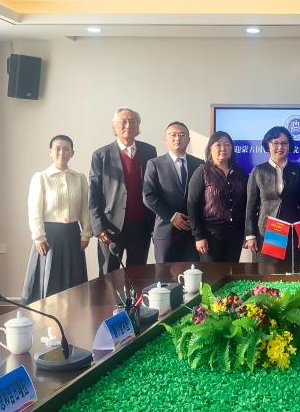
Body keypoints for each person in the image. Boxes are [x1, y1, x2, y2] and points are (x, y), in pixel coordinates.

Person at [22, 135, 90, 304]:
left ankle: (72, 315)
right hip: (49, 237)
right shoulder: (41, 177)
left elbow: (85, 208)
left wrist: (86, 234)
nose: (62, 153)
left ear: (72, 153)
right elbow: (34, 209)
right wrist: (39, 237)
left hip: (72, 235)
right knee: (49, 282)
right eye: (57, 149)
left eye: (66, 149)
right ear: (50, 152)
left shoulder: (80, 178)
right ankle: (46, 315)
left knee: (73, 283)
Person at [89, 108, 157, 275]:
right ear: (114, 126)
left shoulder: (149, 151)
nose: (128, 125)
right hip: (110, 227)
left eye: (132, 121)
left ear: (138, 125)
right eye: (123, 121)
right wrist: (98, 226)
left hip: (141, 226)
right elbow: (94, 193)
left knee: (138, 274)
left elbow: (154, 186)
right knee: (108, 276)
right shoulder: (101, 155)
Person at [245, 126, 300, 262]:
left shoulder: (298, 170)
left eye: (284, 143)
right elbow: (251, 206)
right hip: (265, 232)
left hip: (291, 230)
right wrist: (250, 235)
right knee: (266, 271)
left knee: (290, 271)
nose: (280, 147)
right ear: (268, 145)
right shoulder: (258, 171)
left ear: (289, 146)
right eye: (275, 143)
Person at [143, 122, 204, 263]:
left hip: (192, 233)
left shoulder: (200, 164)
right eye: (173, 135)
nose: (177, 138)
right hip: (166, 232)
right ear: (166, 139)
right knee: (165, 275)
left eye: (182, 135)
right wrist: (171, 216)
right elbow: (148, 196)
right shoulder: (154, 164)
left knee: (193, 273)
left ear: (188, 140)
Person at [187, 131, 248, 262]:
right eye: (218, 145)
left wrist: (246, 233)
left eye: (227, 144)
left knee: (232, 271)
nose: (223, 148)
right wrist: (198, 236)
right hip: (210, 235)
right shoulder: (202, 172)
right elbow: (192, 205)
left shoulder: (241, 173)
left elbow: (246, 205)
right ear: (210, 148)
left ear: (232, 148)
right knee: (212, 273)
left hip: (235, 235)